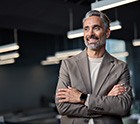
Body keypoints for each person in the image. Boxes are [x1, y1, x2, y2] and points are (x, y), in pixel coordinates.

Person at [55, 10, 133, 124]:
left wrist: (82, 98)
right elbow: (62, 106)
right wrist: (106, 100)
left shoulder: (120, 67)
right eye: (86, 29)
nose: (90, 33)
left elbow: (123, 106)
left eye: (96, 28)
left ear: (107, 33)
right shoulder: (68, 65)